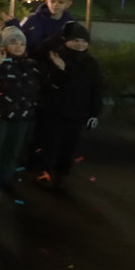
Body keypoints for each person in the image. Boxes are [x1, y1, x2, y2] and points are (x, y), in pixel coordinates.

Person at [33, 22, 102, 189]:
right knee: (51, 143)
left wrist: (94, 113)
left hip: (77, 112)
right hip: (55, 110)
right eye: (75, 40)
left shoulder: (90, 63)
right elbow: (48, 84)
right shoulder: (56, 57)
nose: (80, 44)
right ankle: (44, 172)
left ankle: (61, 174)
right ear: (66, 41)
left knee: (70, 145)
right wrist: (61, 70)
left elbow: (96, 89)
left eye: (83, 41)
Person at [0, 26, 41, 194]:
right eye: (13, 42)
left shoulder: (32, 65)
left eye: (22, 43)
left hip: (24, 115)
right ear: (5, 45)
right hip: (2, 114)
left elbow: (37, 87)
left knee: (14, 150)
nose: (18, 47)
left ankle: (7, 178)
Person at [5, 0, 76, 58]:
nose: (55, 4)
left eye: (60, 2)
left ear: (68, 4)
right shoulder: (31, 19)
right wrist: (13, 24)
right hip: (31, 61)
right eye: (52, 1)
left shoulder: (70, 24)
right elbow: (19, 36)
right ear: (47, 1)